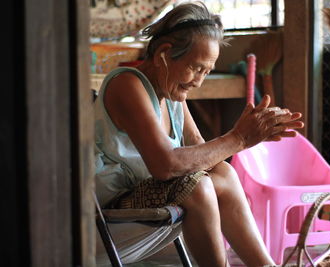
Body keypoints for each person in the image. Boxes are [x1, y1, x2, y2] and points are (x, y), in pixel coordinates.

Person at [94, 1, 304, 266]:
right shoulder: (127, 84)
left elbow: (202, 152)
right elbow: (165, 166)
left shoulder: (171, 92)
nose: (199, 80)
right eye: (196, 67)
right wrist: (238, 138)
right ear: (164, 54)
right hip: (106, 208)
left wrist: (253, 134)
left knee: (222, 173)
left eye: (206, 71)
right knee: (197, 186)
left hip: (141, 194)